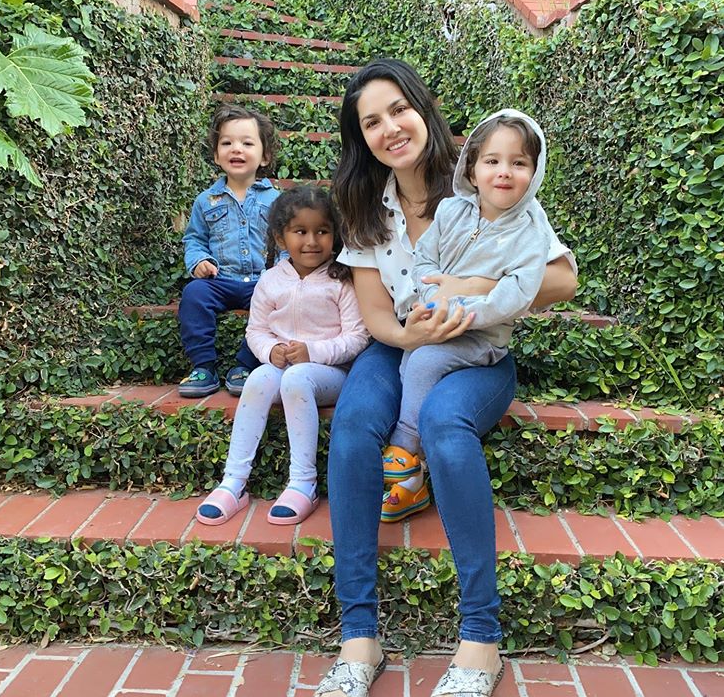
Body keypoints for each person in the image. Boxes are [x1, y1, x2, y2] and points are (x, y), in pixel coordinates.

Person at [314, 60, 577, 697]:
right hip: (402, 342)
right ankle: (358, 640)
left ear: (422, 108)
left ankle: (480, 642)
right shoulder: (362, 204)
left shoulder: (486, 171)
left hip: (476, 349)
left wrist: (474, 291)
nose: (390, 128)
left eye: (398, 109)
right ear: (361, 137)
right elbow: (377, 313)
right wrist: (413, 339)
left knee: (444, 425)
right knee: (351, 428)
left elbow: (563, 279)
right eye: (370, 122)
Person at [380, 109, 550, 523]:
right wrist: (432, 293)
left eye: (519, 163)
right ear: (472, 170)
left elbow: (516, 294)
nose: (504, 172)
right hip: (436, 316)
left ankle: (404, 447)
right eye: (492, 161)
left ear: (535, 172)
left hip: (480, 337)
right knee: (410, 361)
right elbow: (425, 259)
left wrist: (463, 309)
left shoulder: (530, 231)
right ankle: (412, 485)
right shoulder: (452, 211)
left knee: (423, 360)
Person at [196, 185, 369, 526]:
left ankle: (303, 483)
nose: (311, 241)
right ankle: (234, 481)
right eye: (300, 232)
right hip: (283, 366)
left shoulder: (342, 280)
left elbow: (357, 337)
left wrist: (313, 352)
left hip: (331, 373)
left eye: (322, 231)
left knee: (296, 377)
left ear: (335, 235)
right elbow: (256, 331)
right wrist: (270, 351)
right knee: (259, 377)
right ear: (280, 237)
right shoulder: (271, 280)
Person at [177, 103, 279, 398]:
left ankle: (245, 365)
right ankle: (203, 367)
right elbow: (194, 239)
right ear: (216, 154)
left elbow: (287, 241)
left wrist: (283, 273)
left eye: (247, 143)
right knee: (194, 295)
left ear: (265, 155)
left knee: (278, 304)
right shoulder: (206, 201)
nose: (237, 149)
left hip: (262, 281)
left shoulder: (276, 201)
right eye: (227, 142)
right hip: (218, 280)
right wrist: (200, 261)